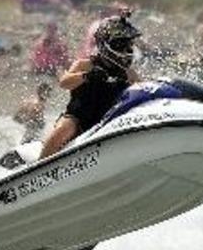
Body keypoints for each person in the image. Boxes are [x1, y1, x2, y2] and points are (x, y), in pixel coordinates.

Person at [40, 14, 142, 159]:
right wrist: (86, 76)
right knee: (63, 129)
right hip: (78, 119)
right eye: (121, 45)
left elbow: (143, 90)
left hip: (109, 121)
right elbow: (64, 82)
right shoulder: (85, 65)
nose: (126, 50)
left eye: (129, 45)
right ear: (105, 45)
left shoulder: (129, 73)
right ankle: (39, 165)